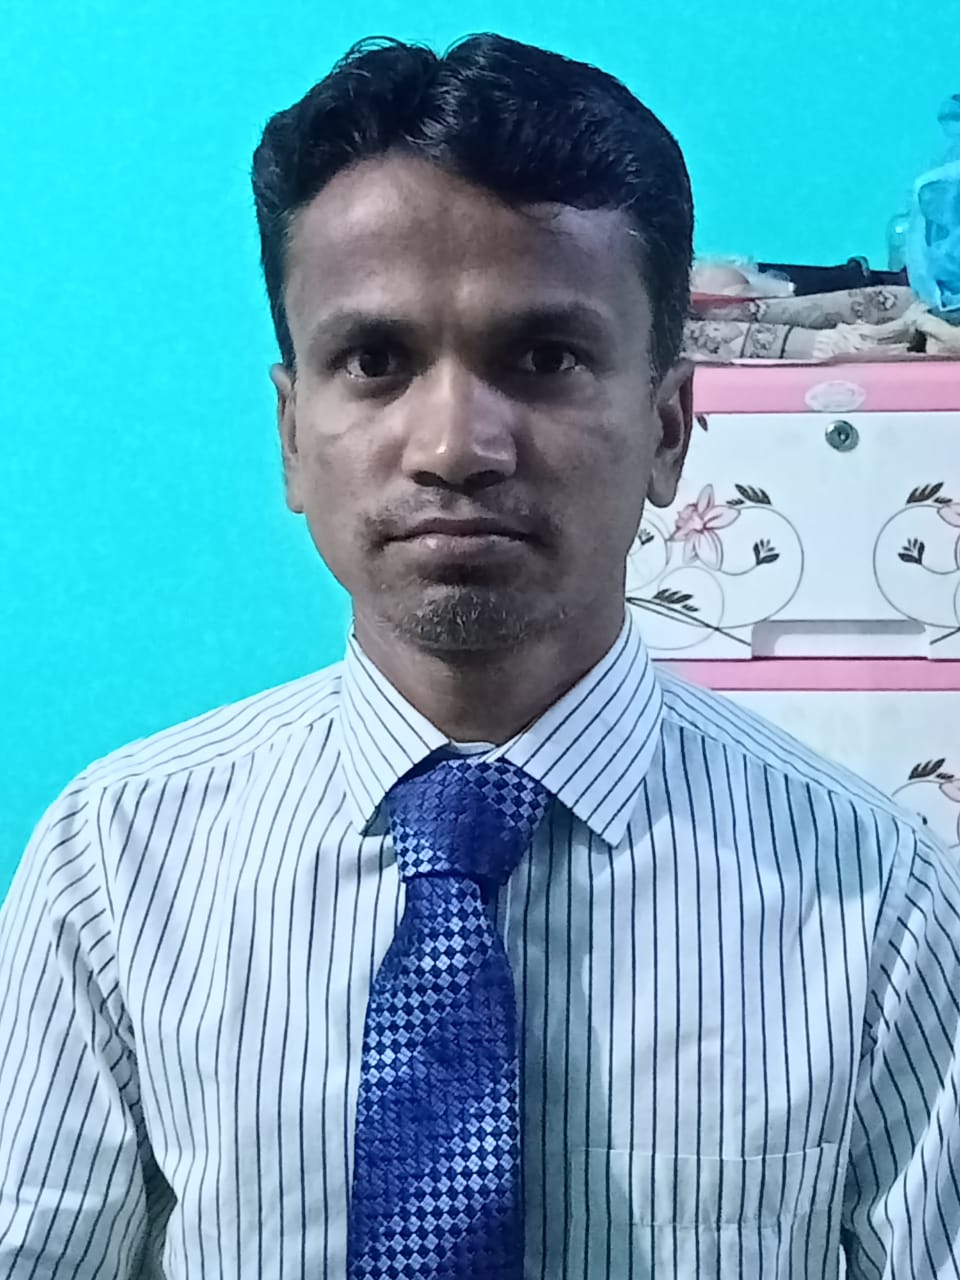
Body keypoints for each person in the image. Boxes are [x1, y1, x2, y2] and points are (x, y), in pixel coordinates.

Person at [0, 31, 958, 1280]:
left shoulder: (877, 901)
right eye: (375, 361)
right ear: (292, 434)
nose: (456, 445)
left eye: (545, 358)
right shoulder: (114, 871)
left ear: (669, 427)